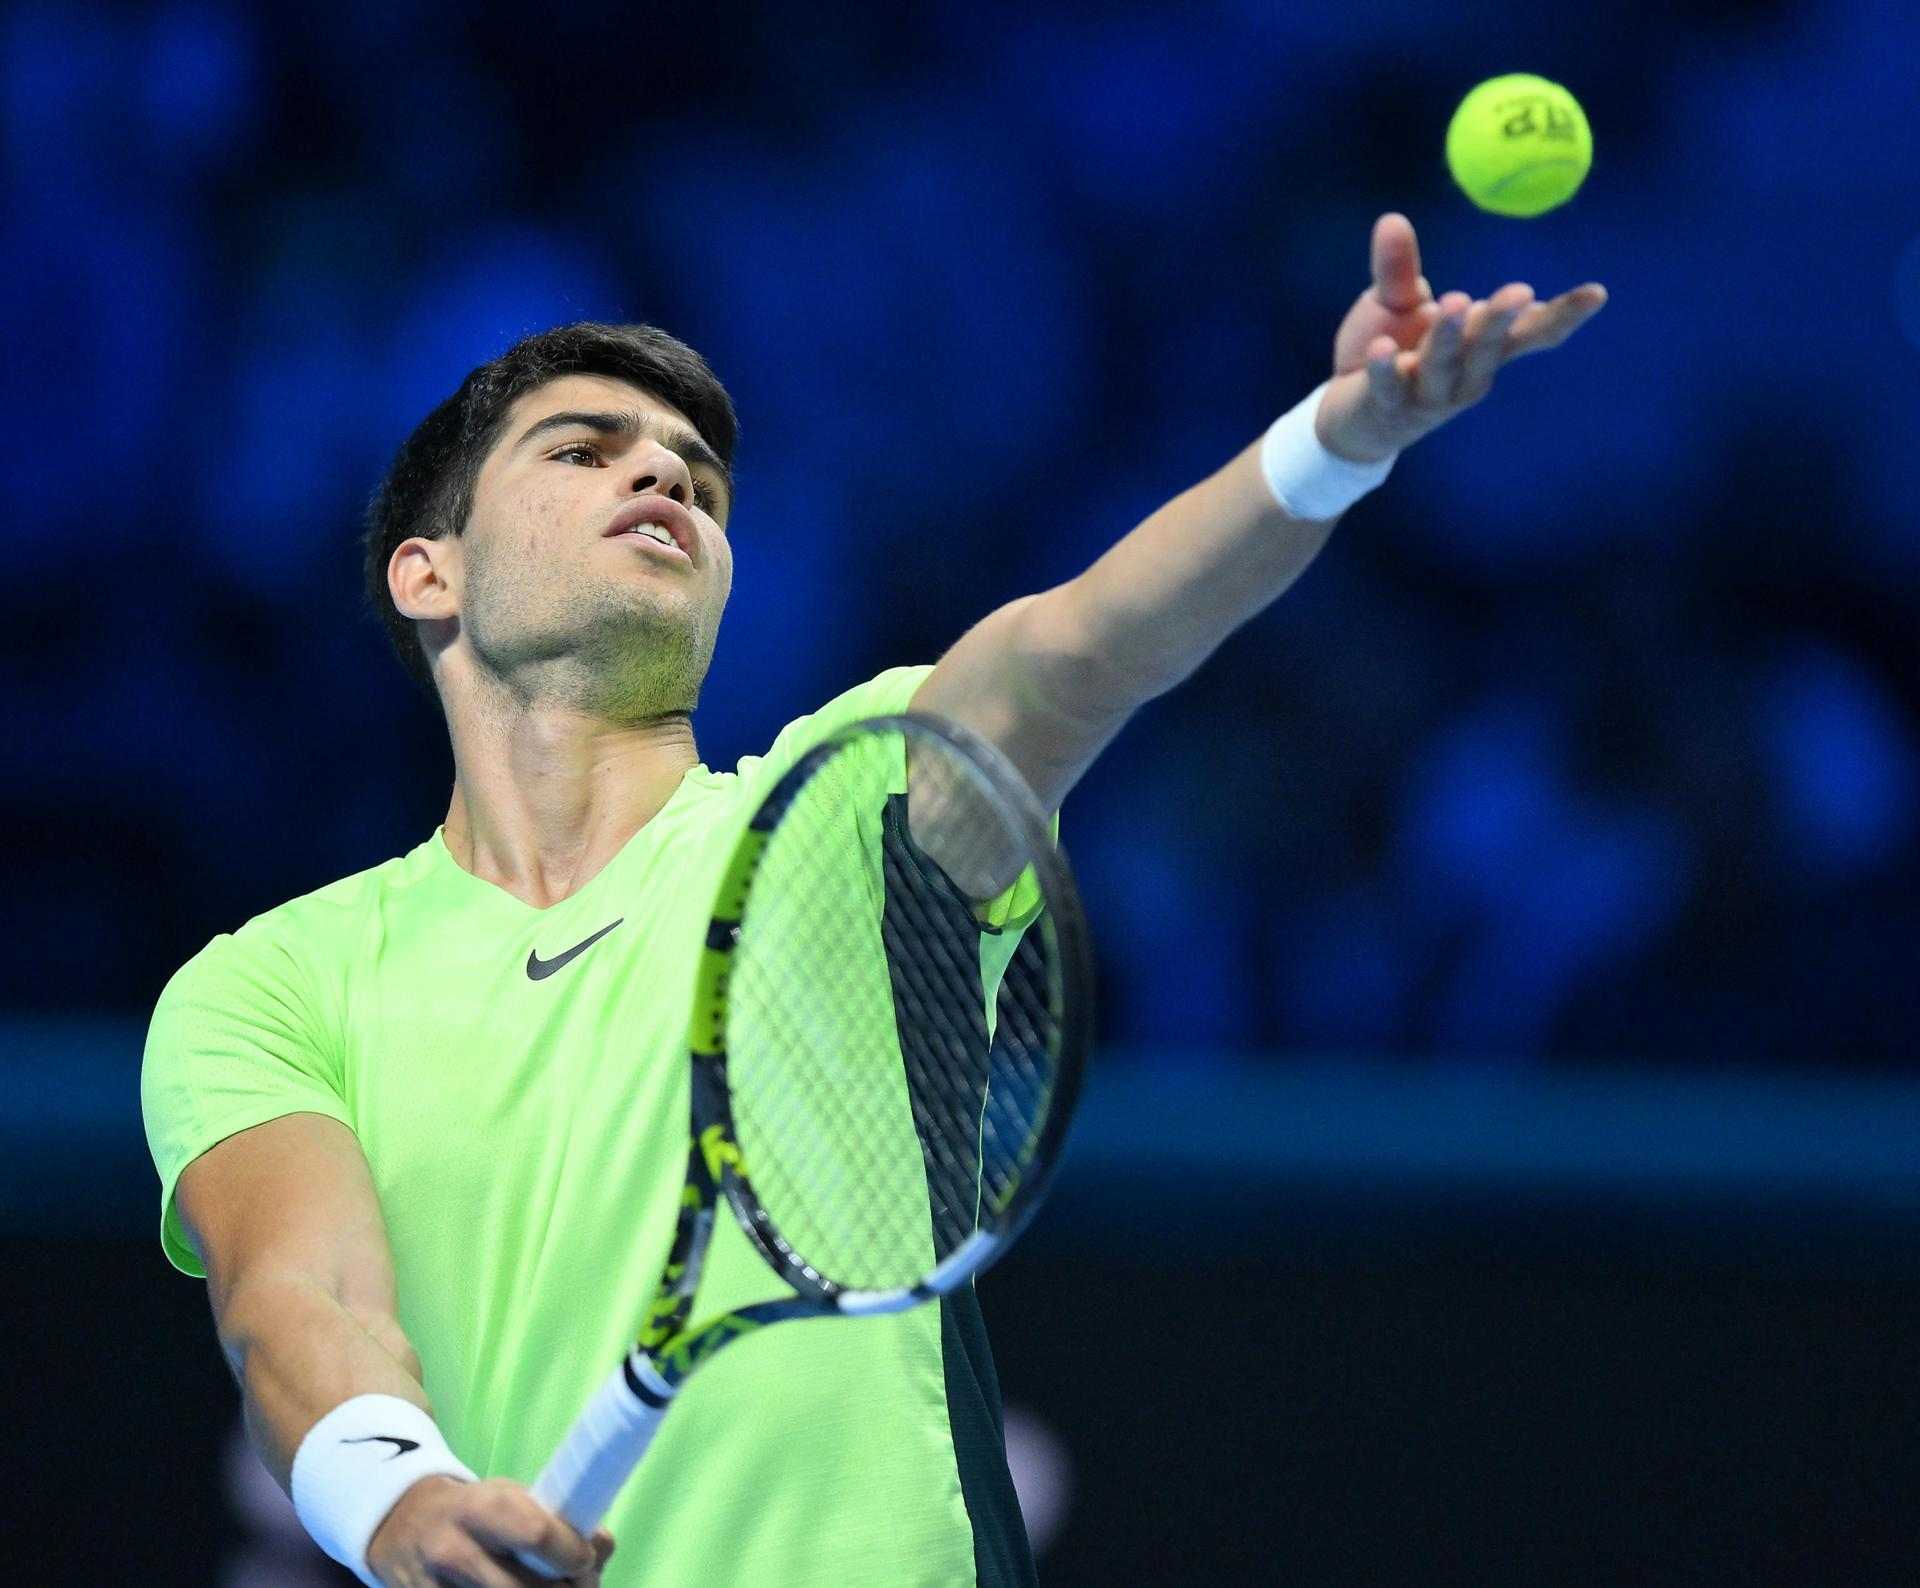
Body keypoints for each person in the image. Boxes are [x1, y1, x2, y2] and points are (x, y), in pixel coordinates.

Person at [141, 213, 1605, 1587]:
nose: (663, 479)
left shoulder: (849, 807)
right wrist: (403, 1502)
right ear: (428, 574)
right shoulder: (273, 984)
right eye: (585, 451)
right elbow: (301, 1298)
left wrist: (1337, 442)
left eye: (698, 482)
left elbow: (1082, 649)